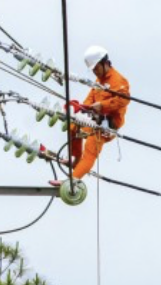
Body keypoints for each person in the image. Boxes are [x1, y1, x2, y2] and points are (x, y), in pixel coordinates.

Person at [56, 45, 130, 183]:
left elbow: (124, 100)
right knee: (73, 126)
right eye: (93, 70)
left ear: (105, 63)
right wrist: (83, 107)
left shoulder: (119, 81)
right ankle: (76, 160)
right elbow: (91, 97)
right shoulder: (98, 81)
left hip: (108, 126)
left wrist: (102, 105)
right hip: (95, 120)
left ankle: (72, 181)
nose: (95, 72)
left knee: (90, 150)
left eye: (96, 68)